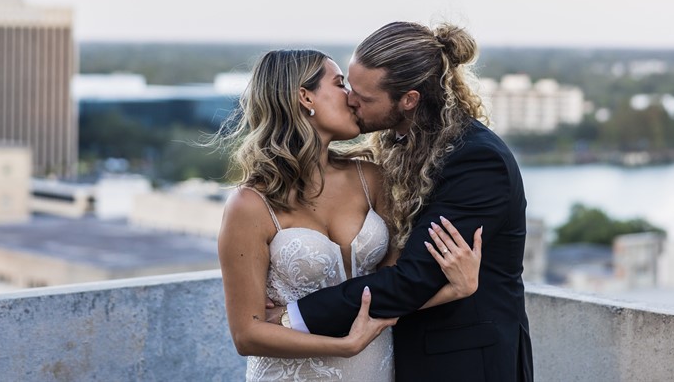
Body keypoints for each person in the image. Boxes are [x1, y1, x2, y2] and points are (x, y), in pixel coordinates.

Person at [272, 22, 534, 381]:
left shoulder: (476, 162)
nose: (350, 100)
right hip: (405, 354)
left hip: (466, 363)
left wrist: (295, 316)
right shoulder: (402, 142)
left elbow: (414, 277)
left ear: (408, 100)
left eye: (364, 98)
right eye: (348, 86)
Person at [218, 49, 484, 381]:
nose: (352, 98)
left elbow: (392, 288)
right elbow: (247, 334)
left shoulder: (371, 178)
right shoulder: (250, 205)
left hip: (376, 369)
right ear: (305, 97)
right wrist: (344, 346)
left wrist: (454, 290)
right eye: (340, 83)